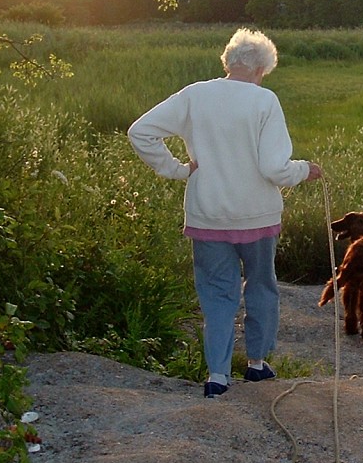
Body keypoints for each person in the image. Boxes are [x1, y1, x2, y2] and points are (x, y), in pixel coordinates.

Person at [128, 28, 322, 398]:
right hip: (258, 216)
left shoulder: (194, 95)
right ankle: (257, 365)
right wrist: (303, 170)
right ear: (261, 68)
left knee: (217, 295)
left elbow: (141, 132)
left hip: (207, 215)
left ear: (229, 62)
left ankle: (217, 375)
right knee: (262, 286)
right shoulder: (265, 101)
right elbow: (274, 168)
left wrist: (178, 169)